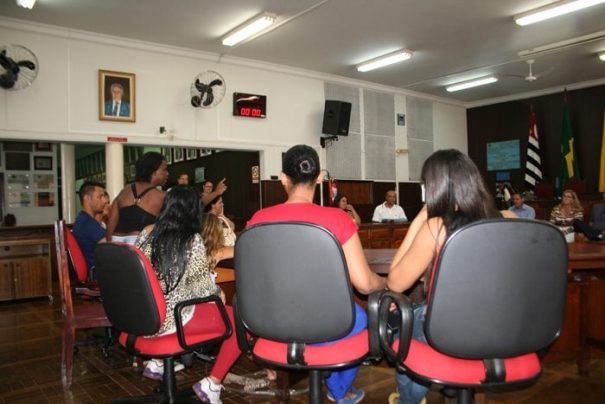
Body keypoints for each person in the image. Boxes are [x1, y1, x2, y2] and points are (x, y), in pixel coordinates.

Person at [247, 144, 386, 404]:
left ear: (283, 178)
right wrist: (385, 282)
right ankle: (339, 390)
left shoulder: (257, 219)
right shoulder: (338, 219)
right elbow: (365, 285)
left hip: (270, 321)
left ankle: (336, 387)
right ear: (320, 176)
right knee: (363, 319)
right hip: (325, 322)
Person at [386, 149, 516, 404]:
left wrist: (420, 220)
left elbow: (395, 281)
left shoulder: (437, 226)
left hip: (448, 329)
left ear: (435, 187)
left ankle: (408, 400)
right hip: (500, 327)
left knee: (407, 325)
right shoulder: (509, 218)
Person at [135, 186, 239, 404]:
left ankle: (158, 360)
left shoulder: (145, 234)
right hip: (172, 320)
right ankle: (212, 383)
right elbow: (204, 292)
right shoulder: (192, 240)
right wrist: (220, 293)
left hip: (140, 319)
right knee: (239, 321)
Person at [106, 151, 168, 244]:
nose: (167, 173)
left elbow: (111, 224)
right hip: (139, 243)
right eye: (164, 169)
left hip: (116, 242)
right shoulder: (162, 196)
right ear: (154, 172)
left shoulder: (125, 191)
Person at [72, 181, 108, 275]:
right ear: (87, 198)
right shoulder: (87, 223)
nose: (105, 201)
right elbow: (112, 247)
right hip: (97, 273)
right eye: (100, 196)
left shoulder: (84, 219)